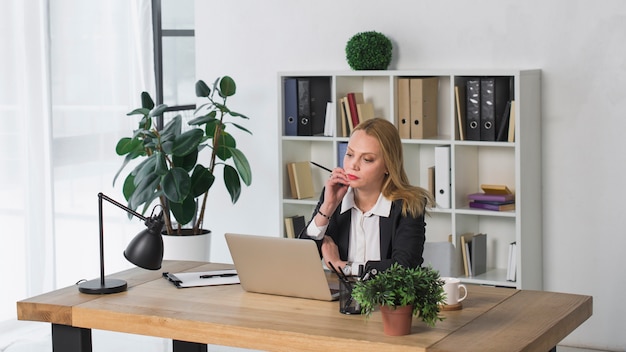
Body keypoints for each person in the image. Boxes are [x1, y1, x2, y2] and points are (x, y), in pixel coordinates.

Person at [301, 118, 434, 276]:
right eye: (349, 154)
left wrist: (343, 267)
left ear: (387, 165)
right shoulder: (334, 197)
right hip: (342, 298)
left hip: (388, 300)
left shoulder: (409, 205)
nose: (353, 165)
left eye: (367, 159)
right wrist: (327, 207)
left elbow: (404, 269)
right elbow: (300, 260)